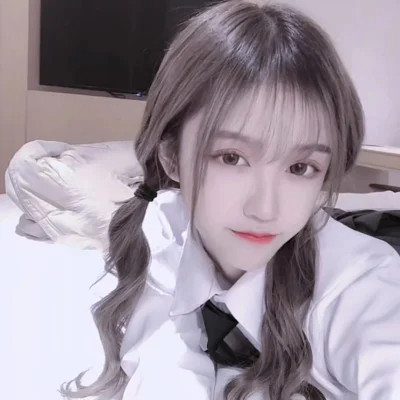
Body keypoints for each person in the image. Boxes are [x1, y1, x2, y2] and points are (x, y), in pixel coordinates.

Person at [60, 1, 400, 399]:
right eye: (232, 158)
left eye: (300, 167)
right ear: (171, 156)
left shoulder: (358, 283)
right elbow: (163, 353)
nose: (266, 209)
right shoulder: (166, 227)